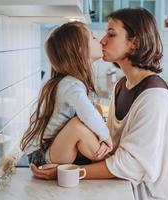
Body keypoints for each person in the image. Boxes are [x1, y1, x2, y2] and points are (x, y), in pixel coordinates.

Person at [30, 8, 168, 200]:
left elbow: (133, 165)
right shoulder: (120, 86)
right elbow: (110, 149)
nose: (102, 40)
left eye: (111, 34)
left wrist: (69, 171)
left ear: (135, 43)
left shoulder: (154, 96)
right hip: (125, 190)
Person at [20, 21, 113, 168]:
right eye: (93, 37)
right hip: (42, 155)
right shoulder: (71, 84)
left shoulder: (70, 82)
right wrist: (106, 136)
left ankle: (107, 161)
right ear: (81, 50)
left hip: (51, 150)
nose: (100, 40)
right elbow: (87, 114)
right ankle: (109, 163)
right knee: (77, 125)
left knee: (93, 112)